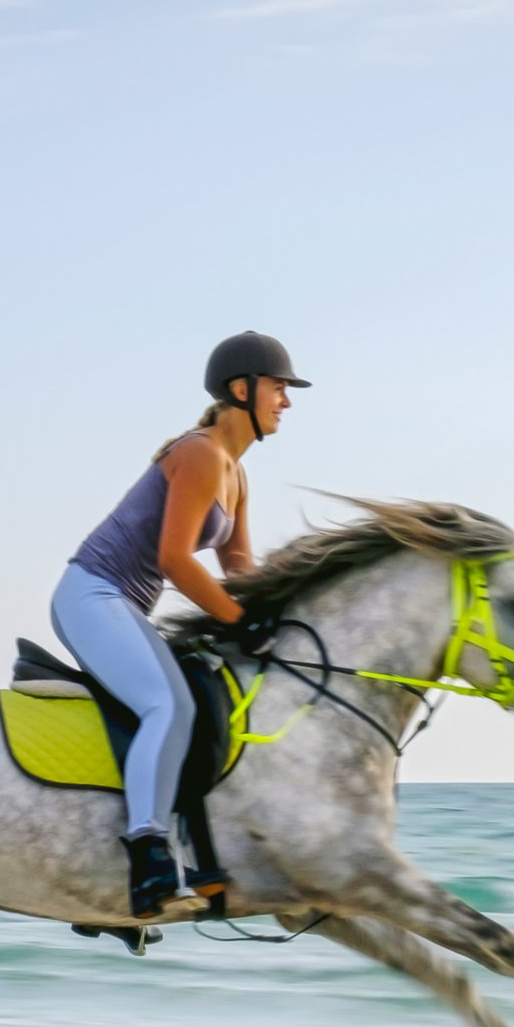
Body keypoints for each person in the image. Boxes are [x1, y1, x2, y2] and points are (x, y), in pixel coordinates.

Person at [52, 333, 306, 919]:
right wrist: (239, 619)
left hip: (121, 604)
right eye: (279, 388)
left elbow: (238, 568)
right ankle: (147, 853)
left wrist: (275, 618)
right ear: (241, 391)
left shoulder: (237, 476)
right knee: (171, 707)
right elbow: (175, 560)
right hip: (91, 593)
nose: (286, 401)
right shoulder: (201, 454)